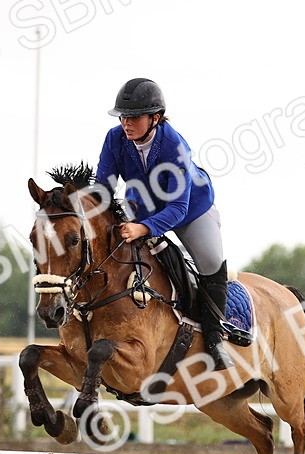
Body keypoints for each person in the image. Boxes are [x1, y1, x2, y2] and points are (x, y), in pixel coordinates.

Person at [95, 78, 231, 370]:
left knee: (210, 261)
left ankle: (215, 338)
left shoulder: (175, 146)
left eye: (132, 118)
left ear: (155, 118)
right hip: (140, 206)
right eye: (122, 117)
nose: (125, 124)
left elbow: (178, 208)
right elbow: (103, 189)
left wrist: (143, 229)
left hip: (191, 210)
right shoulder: (114, 139)